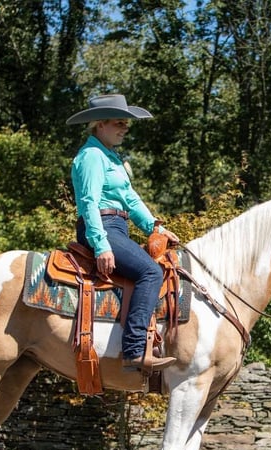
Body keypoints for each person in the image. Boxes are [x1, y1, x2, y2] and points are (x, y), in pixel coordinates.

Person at [66, 94, 179, 372]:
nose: (125, 128)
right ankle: (134, 349)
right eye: (119, 123)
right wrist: (101, 244)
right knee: (150, 272)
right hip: (101, 228)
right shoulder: (92, 156)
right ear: (99, 124)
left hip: (117, 227)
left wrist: (157, 229)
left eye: (126, 124)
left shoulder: (112, 159)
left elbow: (131, 201)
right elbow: (90, 202)